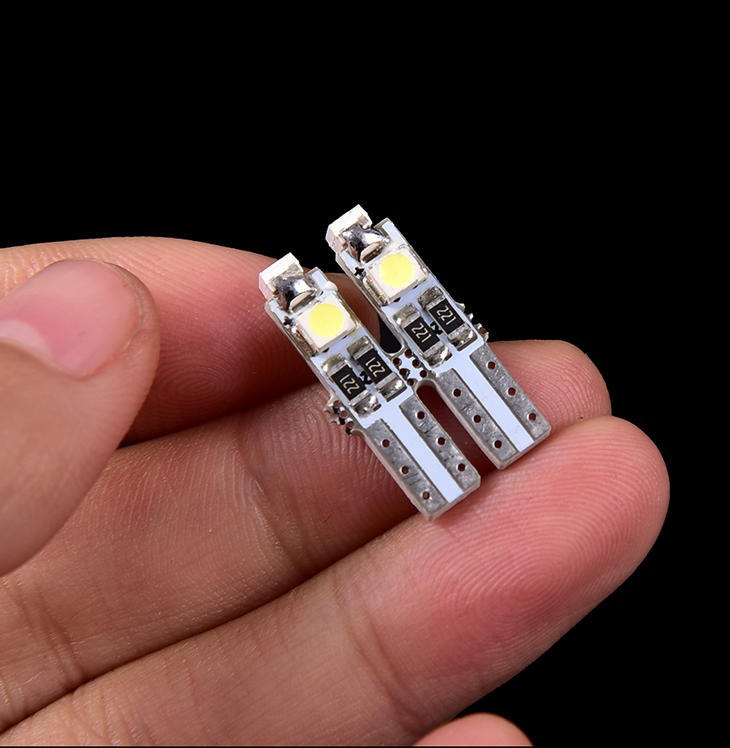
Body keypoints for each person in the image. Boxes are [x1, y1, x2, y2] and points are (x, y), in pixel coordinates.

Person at [0, 238, 669, 745]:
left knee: (461, 396)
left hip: (417, 373)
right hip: (381, 395)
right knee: (419, 420)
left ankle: (484, 435)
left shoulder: (394, 290)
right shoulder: (324, 328)